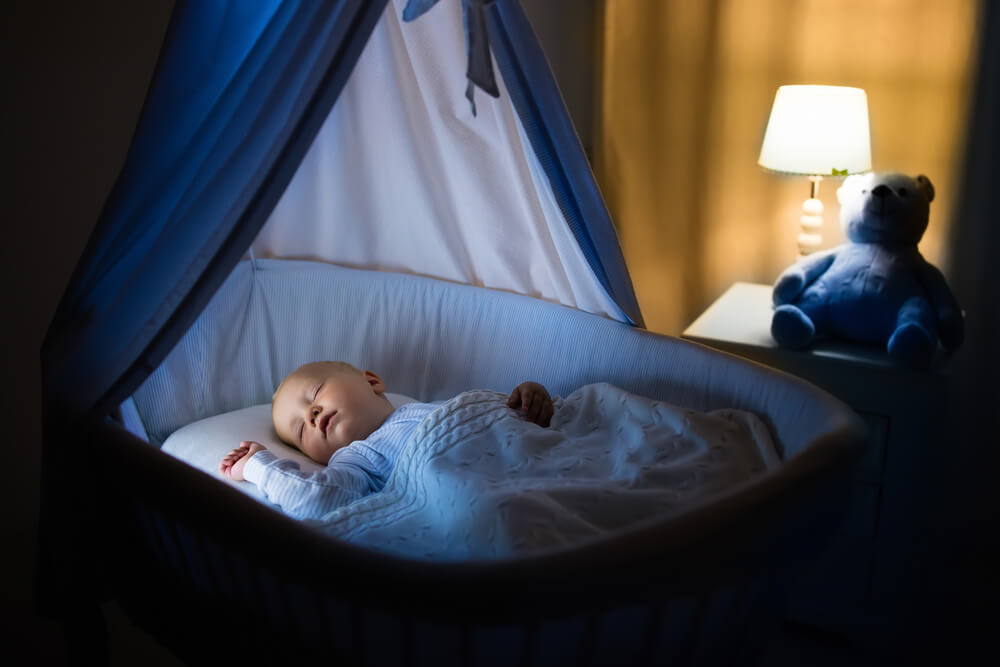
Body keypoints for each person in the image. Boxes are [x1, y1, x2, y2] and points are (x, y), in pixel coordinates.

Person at [218, 361, 553, 519]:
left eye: (316, 393)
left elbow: (496, 416)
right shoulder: (355, 460)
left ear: (373, 381)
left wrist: (528, 397)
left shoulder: (436, 408)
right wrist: (258, 466)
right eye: (301, 430)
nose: (312, 414)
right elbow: (316, 498)